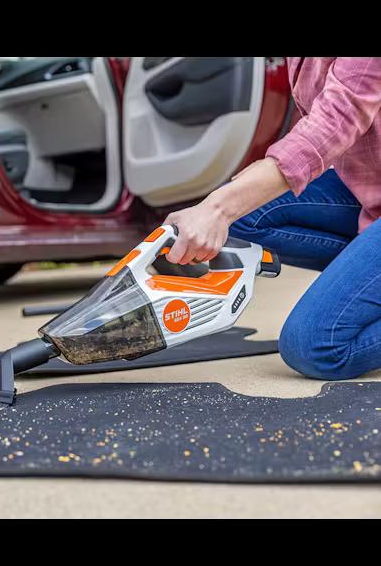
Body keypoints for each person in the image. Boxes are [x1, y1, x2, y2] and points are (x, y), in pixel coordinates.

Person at [163, 58, 381, 381]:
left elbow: (331, 124)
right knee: (247, 213)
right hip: (369, 194)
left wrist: (216, 209)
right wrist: (227, 201)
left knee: (314, 346)